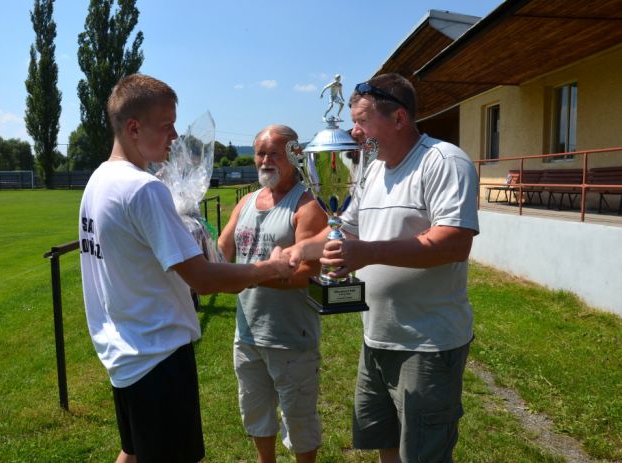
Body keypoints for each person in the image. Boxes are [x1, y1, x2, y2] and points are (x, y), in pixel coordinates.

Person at [78, 74, 294, 463]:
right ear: (133, 128)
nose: (175, 136)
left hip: (122, 352)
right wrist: (270, 267)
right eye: (166, 126)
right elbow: (205, 279)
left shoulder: (98, 180)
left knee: (133, 451)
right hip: (157, 357)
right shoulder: (143, 189)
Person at [285, 73, 480, 463]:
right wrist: (294, 251)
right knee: (385, 445)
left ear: (398, 119)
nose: (354, 132)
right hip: (377, 338)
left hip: (426, 344)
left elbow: (455, 243)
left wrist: (366, 253)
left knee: (423, 455)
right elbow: (343, 230)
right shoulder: (372, 170)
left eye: (361, 121)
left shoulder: (443, 161)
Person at [217, 124, 328, 463]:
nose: (265, 160)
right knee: (255, 414)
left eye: (274, 154)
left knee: (299, 420)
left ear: (294, 156)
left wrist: (249, 278)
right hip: (248, 332)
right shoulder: (247, 202)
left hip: (290, 334)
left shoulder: (307, 206)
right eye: (260, 153)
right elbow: (222, 252)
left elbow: (310, 272)